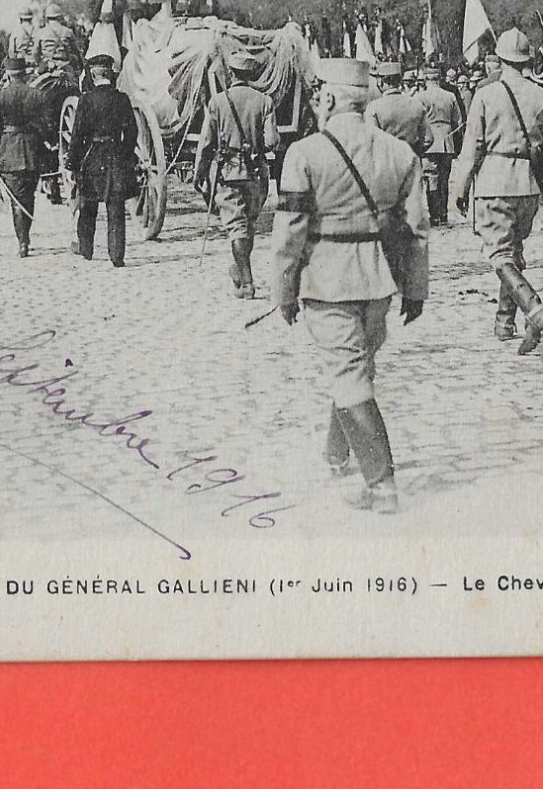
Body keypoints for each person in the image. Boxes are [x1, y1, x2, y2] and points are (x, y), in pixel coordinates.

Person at [271, 57, 429, 514]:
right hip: (378, 281)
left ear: (332, 99)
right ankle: (336, 454)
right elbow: (416, 229)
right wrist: (415, 290)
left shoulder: (304, 154)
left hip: (327, 281)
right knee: (358, 366)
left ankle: (381, 484)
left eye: (322, 94)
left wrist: (283, 292)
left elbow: (289, 233)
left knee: (351, 375)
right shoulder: (401, 155)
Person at [450, 27, 543, 355]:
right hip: (529, 187)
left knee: (500, 255)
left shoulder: (486, 95)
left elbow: (471, 147)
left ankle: (534, 308)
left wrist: (459, 188)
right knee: (514, 252)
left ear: (500, 59)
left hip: (493, 183)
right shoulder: (542, 94)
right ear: (528, 60)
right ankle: (505, 322)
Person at [195, 51, 279, 298]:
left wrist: (199, 174)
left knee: (236, 228)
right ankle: (240, 272)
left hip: (227, 173)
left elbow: (206, 143)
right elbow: (272, 141)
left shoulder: (217, 102)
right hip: (256, 174)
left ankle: (247, 282)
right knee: (248, 225)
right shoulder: (264, 101)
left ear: (230, 73)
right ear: (252, 74)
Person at [66, 54, 140, 267]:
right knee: (116, 209)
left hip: (92, 157)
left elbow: (78, 134)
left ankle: (86, 249)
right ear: (111, 74)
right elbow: (132, 131)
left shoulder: (86, 100)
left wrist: (72, 162)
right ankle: (117, 256)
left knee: (88, 206)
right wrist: (125, 154)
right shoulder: (122, 99)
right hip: (115, 157)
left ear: (92, 74)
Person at [0, 56, 49, 257]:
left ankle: (23, 241)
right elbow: (46, 127)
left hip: (8, 153)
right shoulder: (37, 94)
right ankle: (25, 237)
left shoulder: (0, 96)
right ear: (25, 74)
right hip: (32, 151)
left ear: (8, 75)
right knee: (29, 197)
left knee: (16, 200)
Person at [415, 64, 463, 226]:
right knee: (444, 178)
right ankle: (443, 214)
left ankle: (434, 214)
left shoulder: (420, 97)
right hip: (447, 141)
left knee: (431, 178)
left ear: (426, 79)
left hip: (428, 142)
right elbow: (459, 122)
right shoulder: (450, 96)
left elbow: (415, 120)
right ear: (439, 79)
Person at [34, 3, 77, 76]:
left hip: (48, 67)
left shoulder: (40, 32)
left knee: (32, 84)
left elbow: (35, 53)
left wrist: (39, 63)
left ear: (47, 18)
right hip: (65, 67)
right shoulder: (68, 31)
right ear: (60, 17)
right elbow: (75, 51)